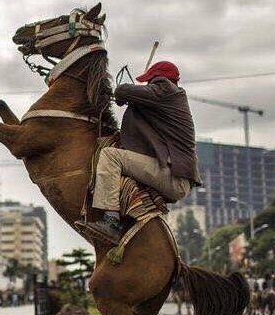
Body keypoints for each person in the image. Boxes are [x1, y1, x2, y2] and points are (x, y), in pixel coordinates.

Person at [77, 61, 202, 241]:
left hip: (173, 177)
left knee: (111, 156)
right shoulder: (165, 98)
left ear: (158, 80)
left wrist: (126, 93)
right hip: (174, 175)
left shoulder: (166, 90)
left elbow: (121, 91)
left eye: (150, 81)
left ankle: (111, 220)